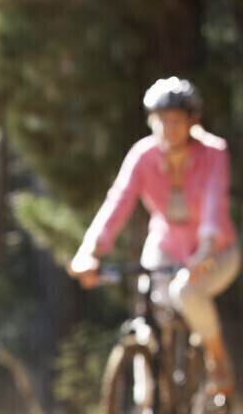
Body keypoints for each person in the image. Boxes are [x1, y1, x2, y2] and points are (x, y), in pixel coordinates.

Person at [70, 77, 239, 395]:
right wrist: (90, 251)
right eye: (160, 120)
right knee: (147, 324)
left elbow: (215, 205)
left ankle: (218, 361)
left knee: (188, 293)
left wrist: (204, 250)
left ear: (192, 120)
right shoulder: (142, 155)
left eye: (175, 120)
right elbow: (116, 203)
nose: (168, 128)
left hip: (216, 250)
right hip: (165, 246)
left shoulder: (214, 152)